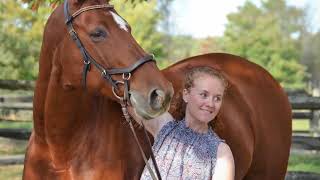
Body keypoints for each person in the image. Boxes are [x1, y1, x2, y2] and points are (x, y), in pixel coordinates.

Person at [130, 66, 235, 180]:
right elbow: (127, 98)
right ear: (186, 95)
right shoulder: (165, 127)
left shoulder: (222, 153)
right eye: (204, 95)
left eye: (217, 98)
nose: (211, 103)